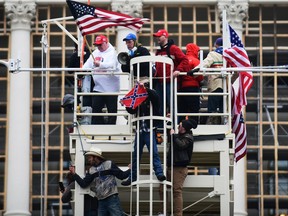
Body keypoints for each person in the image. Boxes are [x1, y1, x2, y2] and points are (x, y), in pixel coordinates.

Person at [121, 83, 166, 186]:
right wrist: (126, 104)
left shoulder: (152, 96)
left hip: (149, 130)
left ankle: (159, 173)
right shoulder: (138, 98)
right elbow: (132, 110)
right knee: (136, 155)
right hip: (140, 130)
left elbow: (156, 99)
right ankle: (133, 177)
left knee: (153, 153)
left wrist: (145, 89)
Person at [69, 146, 130, 216]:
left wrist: (130, 169)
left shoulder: (109, 164)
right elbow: (84, 184)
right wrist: (74, 174)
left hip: (111, 198)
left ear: (95, 157)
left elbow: (122, 175)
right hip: (101, 201)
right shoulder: (91, 170)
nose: (88, 160)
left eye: (90, 157)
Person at [159, 119, 197, 216]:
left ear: (184, 128)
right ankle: (164, 211)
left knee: (176, 191)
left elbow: (181, 145)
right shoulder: (180, 135)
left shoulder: (188, 137)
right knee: (162, 189)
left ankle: (178, 214)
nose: (178, 127)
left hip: (179, 168)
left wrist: (173, 135)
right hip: (171, 166)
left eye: (180, 126)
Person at [83, 35, 121, 125]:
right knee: (96, 108)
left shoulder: (113, 53)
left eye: (100, 45)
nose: (99, 47)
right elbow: (86, 65)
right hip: (98, 87)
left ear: (106, 43)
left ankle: (111, 128)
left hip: (111, 89)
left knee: (111, 110)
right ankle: (97, 126)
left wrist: (99, 64)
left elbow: (112, 65)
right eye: (97, 45)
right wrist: (82, 71)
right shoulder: (96, 52)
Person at [153, 29, 190, 117]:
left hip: (170, 81)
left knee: (172, 103)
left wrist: (178, 70)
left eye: (159, 36)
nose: (157, 38)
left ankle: (173, 124)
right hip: (160, 82)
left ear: (165, 36)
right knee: (159, 104)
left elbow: (185, 60)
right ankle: (161, 124)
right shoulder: (159, 51)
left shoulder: (173, 49)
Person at [189, 37, 224, 125]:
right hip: (226, 87)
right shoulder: (228, 55)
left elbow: (205, 64)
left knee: (212, 108)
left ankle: (213, 124)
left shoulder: (213, 54)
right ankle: (223, 124)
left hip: (215, 85)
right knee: (223, 108)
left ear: (216, 45)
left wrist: (194, 71)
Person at [177, 43, 204, 123]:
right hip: (193, 88)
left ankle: (181, 125)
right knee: (194, 109)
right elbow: (200, 77)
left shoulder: (183, 61)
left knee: (182, 109)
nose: (198, 53)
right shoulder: (196, 61)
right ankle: (194, 125)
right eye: (198, 51)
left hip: (182, 88)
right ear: (195, 50)